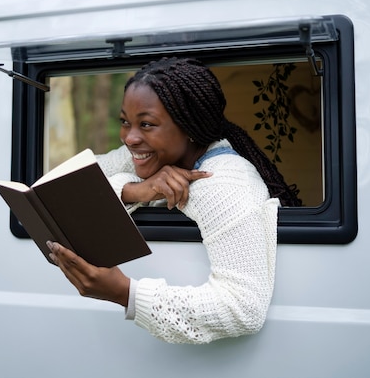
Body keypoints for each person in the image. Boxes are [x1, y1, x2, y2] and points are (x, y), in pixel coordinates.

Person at [46, 57, 301, 344]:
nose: (130, 138)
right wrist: (134, 190)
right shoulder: (146, 158)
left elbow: (243, 307)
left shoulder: (223, 184)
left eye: (146, 124)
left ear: (190, 126)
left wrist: (124, 293)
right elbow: (60, 183)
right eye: (125, 122)